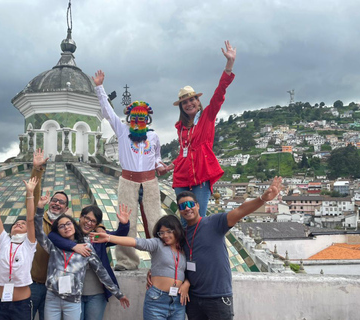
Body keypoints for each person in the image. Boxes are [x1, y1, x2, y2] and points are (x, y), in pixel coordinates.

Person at [177, 176, 282, 320]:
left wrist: (262, 199)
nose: (187, 208)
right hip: (193, 299)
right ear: (179, 211)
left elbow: (240, 210)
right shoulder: (181, 234)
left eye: (190, 204)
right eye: (183, 206)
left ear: (198, 205)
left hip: (218, 296)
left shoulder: (214, 222)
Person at [92, 70, 165, 271]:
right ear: (129, 118)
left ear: (147, 120)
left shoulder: (154, 137)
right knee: (127, 221)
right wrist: (99, 87)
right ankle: (126, 261)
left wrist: (160, 166)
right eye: (134, 117)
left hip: (150, 181)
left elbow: (156, 157)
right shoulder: (122, 131)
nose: (137, 121)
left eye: (141, 118)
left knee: (155, 220)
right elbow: (107, 111)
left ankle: (161, 258)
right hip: (127, 181)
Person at [167, 40, 236, 220]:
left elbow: (219, 94)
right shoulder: (180, 127)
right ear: (181, 106)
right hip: (182, 178)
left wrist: (229, 64)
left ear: (198, 102)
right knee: (184, 220)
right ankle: (184, 250)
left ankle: (198, 249)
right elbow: (183, 153)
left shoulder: (207, 117)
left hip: (201, 176)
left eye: (192, 100)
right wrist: (169, 166)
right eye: (185, 102)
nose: (189, 104)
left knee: (198, 219)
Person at [35, 195, 130, 320]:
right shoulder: (62, 237)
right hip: (68, 295)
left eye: (93, 221)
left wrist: (124, 225)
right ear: (79, 218)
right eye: (86, 218)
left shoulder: (95, 237)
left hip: (95, 292)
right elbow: (50, 235)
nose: (89, 223)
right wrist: (74, 246)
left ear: (96, 224)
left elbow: (117, 239)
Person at [91, 212, 190, 320]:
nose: (165, 235)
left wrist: (187, 283)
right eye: (161, 233)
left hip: (178, 302)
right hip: (157, 299)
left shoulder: (184, 250)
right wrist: (109, 238)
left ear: (177, 230)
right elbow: (136, 242)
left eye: (168, 231)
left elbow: (189, 272)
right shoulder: (157, 244)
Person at [28, 149, 72, 320]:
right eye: (54, 200)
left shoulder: (69, 229)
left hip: (55, 288)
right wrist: (37, 170)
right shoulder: (37, 220)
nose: (56, 204)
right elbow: (32, 195)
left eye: (61, 202)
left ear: (66, 209)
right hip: (33, 284)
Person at [0, 175, 39, 320]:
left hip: (21, 305)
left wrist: (30, 193)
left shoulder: (29, 245)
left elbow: (30, 219)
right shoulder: (4, 242)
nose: (19, 224)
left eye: (22, 224)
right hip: (2, 304)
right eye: (16, 224)